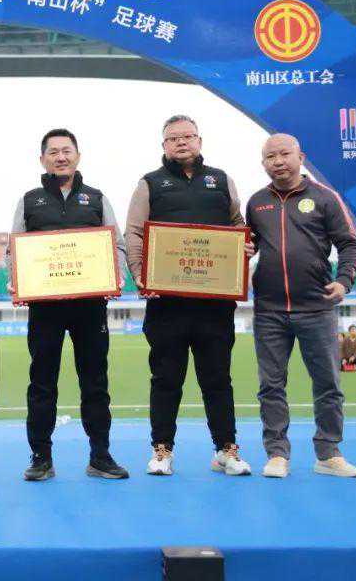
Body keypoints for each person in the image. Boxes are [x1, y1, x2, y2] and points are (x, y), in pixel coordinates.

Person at [125, 115, 254, 477]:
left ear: (199, 140)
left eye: (188, 136)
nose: (181, 142)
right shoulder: (150, 183)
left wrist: (246, 246)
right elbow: (134, 233)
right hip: (167, 304)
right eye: (173, 138)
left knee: (218, 379)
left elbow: (238, 226)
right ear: (163, 145)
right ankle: (162, 451)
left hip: (214, 304)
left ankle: (226, 450)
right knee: (166, 380)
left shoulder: (221, 180)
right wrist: (140, 274)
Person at [9, 129, 129, 481]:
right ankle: (41, 457)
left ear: (77, 156)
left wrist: (116, 275)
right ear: (42, 159)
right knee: (41, 383)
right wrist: (18, 278)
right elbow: (14, 248)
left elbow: (118, 245)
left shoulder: (97, 199)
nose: (60, 157)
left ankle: (100, 456)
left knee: (95, 382)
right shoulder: (29, 200)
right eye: (53, 152)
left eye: (66, 151)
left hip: (90, 307)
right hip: (45, 307)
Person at [246, 133, 356, 478]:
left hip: (317, 307)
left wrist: (344, 281)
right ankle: (276, 454)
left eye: (284, 154)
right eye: (270, 157)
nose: (278, 161)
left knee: (327, 383)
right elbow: (248, 244)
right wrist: (245, 250)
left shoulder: (325, 197)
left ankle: (328, 454)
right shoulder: (256, 202)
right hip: (269, 310)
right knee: (271, 386)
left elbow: (349, 245)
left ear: (301, 157)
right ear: (263, 163)